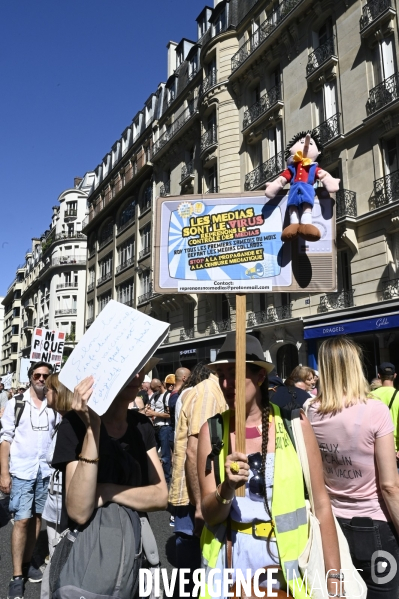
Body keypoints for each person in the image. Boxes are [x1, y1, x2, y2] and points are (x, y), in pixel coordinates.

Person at [197, 333, 342, 598]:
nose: (227, 383)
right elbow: (209, 514)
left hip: (289, 568)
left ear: (260, 377)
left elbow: (321, 503)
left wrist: (335, 583)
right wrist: (226, 488)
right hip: (231, 562)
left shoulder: (295, 425)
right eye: (222, 375)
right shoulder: (212, 431)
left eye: (236, 374)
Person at [306, 337, 399, 598]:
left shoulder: (309, 411)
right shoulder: (375, 410)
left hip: (330, 525)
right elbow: (390, 486)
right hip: (374, 524)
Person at [52, 359, 168, 540]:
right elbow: (79, 511)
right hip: (88, 548)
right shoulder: (74, 425)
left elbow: (160, 496)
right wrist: (92, 429)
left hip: (133, 545)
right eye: (127, 368)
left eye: (139, 368)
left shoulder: (142, 424)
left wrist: (107, 492)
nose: (137, 375)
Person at [169, 362, 227, 596]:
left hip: (200, 497)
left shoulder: (209, 390)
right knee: (194, 576)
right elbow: (195, 451)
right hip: (196, 500)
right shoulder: (207, 392)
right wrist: (201, 504)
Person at [0, 361, 56, 599]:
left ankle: (29, 561)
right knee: (21, 521)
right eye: (37, 374)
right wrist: (4, 472)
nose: (41, 379)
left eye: (46, 375)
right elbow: (5, 439)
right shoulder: (16, 403)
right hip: (22, 471)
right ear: (30, 376)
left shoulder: (55, 405)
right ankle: (16, 575)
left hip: (45, 472)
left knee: (36, 519)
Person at [41, 374, 73, 558]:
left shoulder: (70, 423)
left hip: (64, 501)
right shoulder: (63, 421)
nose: (45, 393)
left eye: (49, 389)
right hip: (56, 497)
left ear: (60, 393)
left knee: (60, 552)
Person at [144, 378, 174, 484]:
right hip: (155, 427)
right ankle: (155, 476)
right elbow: (149, 406)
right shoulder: (154, 396)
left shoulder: (167, 396)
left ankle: (166, 479)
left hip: (165, 428)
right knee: (152, 452)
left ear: (160, 386)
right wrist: (147, 409)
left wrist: (154, 413)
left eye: (154, 388)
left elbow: (169, 415)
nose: (153, 390)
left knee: (165, 455)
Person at [371, 362, 399, 462]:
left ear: (379, 375)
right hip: (394, 450)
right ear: (395, 375)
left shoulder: (369, 396)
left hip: (373, 449)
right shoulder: (398, 396)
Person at [168, 367, 191, 433]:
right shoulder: (177, 395)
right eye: (190, 377)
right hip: (177, 433)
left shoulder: (174, 393)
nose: (191, 379)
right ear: (184, 378)